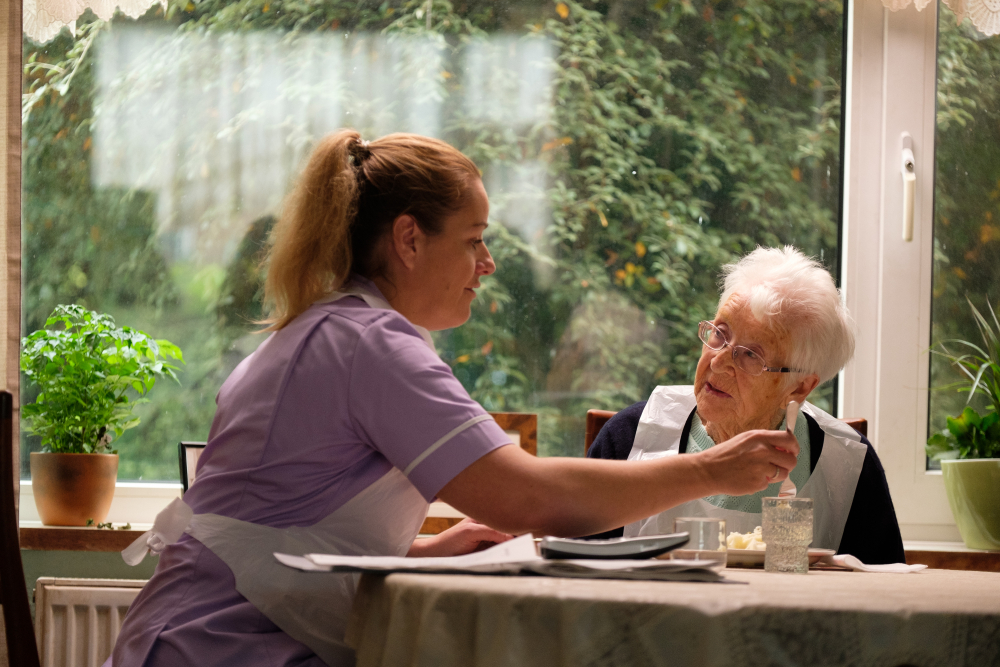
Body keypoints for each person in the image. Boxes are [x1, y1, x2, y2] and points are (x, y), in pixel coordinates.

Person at [111, 131, 802, 667]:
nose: (488, 263)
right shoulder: (369, 343)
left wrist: (416, 555)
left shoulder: (338, 327)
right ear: (410, 238)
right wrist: (711, 470)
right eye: (474, 240)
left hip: (196, 635)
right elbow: (527, 496)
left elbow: (279, 519)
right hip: (217, 644)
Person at [587, 246, 905, 565]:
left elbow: (883, 594)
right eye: (719, 334)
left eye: (751, 355)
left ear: (800, 386)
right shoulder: (632, 435)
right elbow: (572, 571)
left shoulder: (846, 466)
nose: (719, 361)